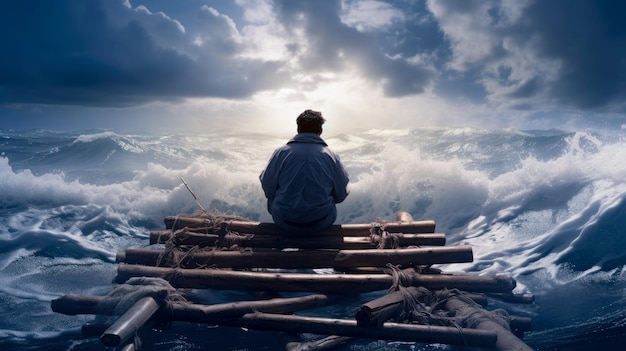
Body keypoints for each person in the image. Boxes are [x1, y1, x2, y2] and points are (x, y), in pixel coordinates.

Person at [260, 109, 349, 233]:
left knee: (275, 192)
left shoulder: (281, 153)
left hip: (284, 221)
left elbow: (267, 187)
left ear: (298, 128)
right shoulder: (331, 156)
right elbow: (341, 195)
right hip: (321, 222)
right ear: (320, 130)